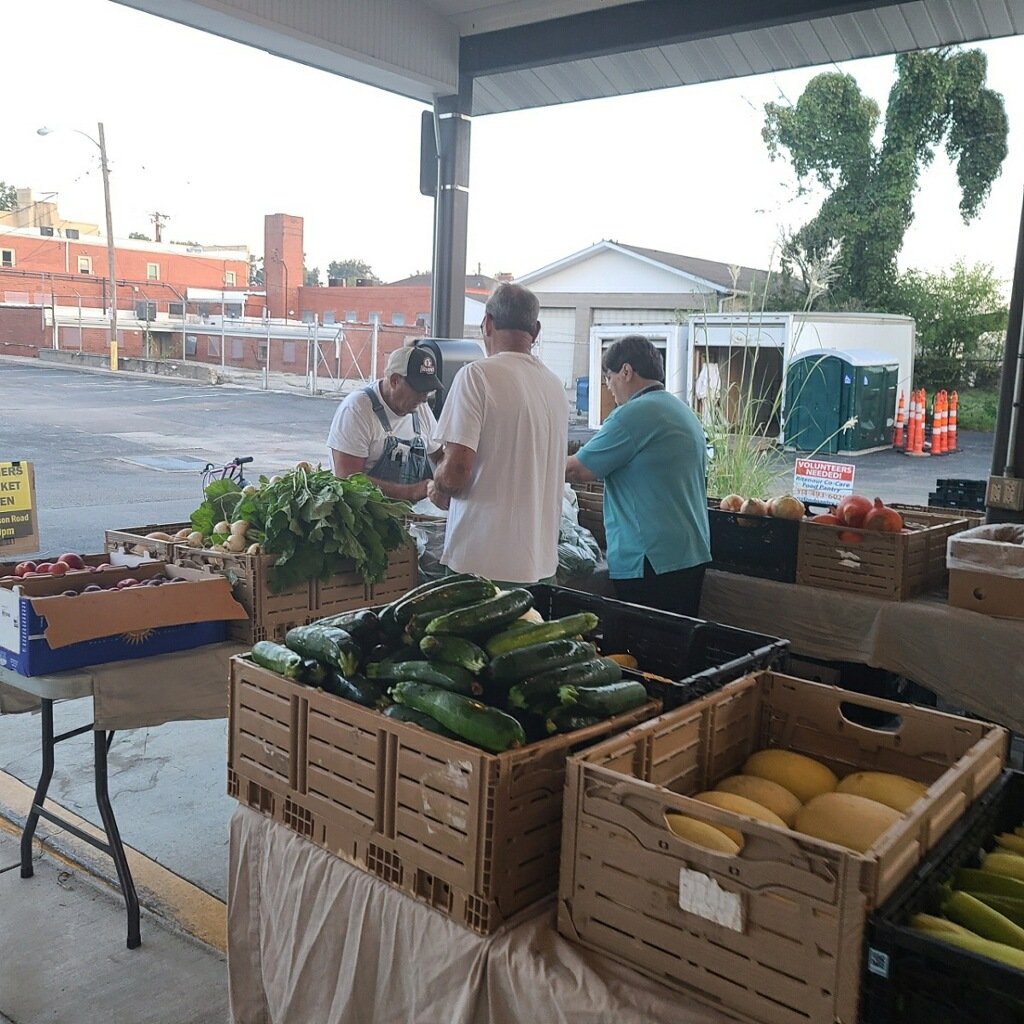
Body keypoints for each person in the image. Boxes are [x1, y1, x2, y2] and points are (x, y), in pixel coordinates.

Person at [428, 282, 568, 585]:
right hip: (541, 567)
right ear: (537, 330)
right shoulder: (555, 386)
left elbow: (455, 473)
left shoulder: (477, 376)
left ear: (487, 323)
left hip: (482, 569)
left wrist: (437, 483)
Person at [566, 335, 711, 616]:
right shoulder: (681, 411)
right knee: (677, 647)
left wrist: (529, 464)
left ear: (626, 371)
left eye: (609, 378)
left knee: (641, 651)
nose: (609, 388)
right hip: (689, 552)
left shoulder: (632, 415)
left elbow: (577, 469)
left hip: (650, 560)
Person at [327, 341, 443, 501]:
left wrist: (446, 482)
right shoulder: (357, 410)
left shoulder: (420, 408)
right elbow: (348, 479)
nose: (424, 398)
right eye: (418, 389)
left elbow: (439, 456)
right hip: (367, 517)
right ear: (395, 380)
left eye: (428, 391)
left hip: (411, 518)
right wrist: (411, 492)